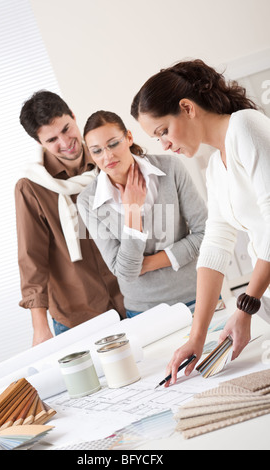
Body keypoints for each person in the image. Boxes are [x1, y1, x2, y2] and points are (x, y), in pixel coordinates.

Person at [131, 59, 270, 384]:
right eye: (156, 138)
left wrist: (246, 306)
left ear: (187, 108)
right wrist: (196, 336)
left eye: (163, 131)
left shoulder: (246, 127)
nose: (163, 145)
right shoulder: (215, 169)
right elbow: (215, 247)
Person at [15, 91, 125, 346]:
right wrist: (40, 328)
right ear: (39, 142)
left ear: (74, 116)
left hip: (131, 299)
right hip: (77, 316)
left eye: (67, 128)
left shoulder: (107, 159)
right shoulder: (32, 187)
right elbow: (32, 259)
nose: (66, 142)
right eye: (52, 139)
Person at [77, 110, 207, 317]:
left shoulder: (170, 168)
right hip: (144, 311)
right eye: (97, 151)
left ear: (128, 137)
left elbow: (205, 233)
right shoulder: (88, 201)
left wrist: (147, 264)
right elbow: (125, 272)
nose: (107, 156)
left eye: (113, 144)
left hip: (199, 294)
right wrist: (133, 213)